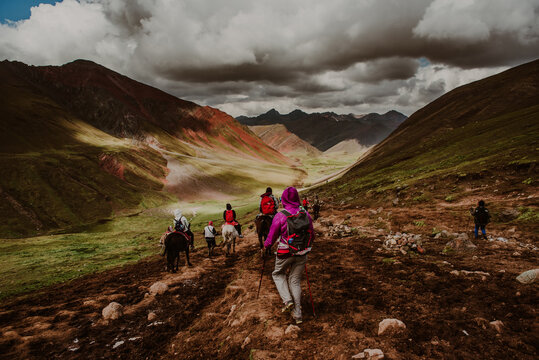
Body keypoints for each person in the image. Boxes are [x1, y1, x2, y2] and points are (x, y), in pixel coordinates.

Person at [264, 187, 315, 325]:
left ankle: (287, 300)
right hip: (302, 251)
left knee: (278, 274)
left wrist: (266, 245)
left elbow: (272, 236)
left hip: (284, 252)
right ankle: (298, 314)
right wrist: (306, 248)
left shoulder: (281, 216)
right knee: (295, 281)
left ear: (285, 199)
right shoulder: (305, 214)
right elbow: (312, 233)